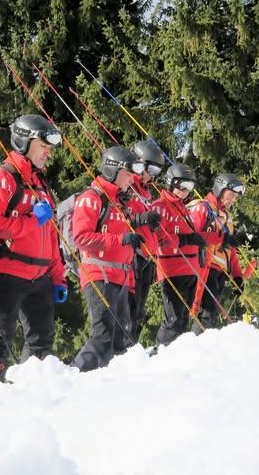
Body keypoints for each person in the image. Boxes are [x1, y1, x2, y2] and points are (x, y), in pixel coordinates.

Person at [0, 114, 67, 388]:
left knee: (42, 341)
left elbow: (51, 234)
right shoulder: (2, 178)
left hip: (39, 276)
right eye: (43, 145)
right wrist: (29, 221)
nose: (48, 152)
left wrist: (58, 277)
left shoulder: (40, 184)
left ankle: (29, 394)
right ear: (24, 142)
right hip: (6, 272)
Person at [72, 146, 158, 371]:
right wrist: (120, 240)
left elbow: (128, 228)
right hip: (99, 273)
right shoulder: (92, 198)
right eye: (128, 173)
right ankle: (74, 376)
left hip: (121, 275)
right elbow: (81, 238)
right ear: (113, 170)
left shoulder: (121, 202)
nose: (132, 179)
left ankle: (115, 386)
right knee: (102, 336)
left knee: (122, 339)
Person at [189, 173, 256, 332]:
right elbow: (194, 236)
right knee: (208, 311)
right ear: (220, 189)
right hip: (205, 267)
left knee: (212, 313)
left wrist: (237, 276)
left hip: (220, 272)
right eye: (231, 195)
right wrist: (220, 238)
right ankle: (196, 343)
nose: (233, 200)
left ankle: (200, 343)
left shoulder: (227, 216)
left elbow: (230, 251)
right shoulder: (203, 208)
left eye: (235, 197)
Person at [152, 163, 207, 345]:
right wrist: (185, 240)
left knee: (183, 320)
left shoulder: (183, 208)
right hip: (171, 270)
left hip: (190, 269)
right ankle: (161, 350)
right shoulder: (160, 206)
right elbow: (159, 238)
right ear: (170, 182)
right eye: (180, 186)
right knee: (174, 320)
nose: (184, 191)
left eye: (189, 187)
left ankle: (177, 357)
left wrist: (196, 241)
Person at [123, 140, 165, 342]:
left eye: (156, 172)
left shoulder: (145, 191)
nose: (152, 176)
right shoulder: (127, 185)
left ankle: (132, 347)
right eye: (151, 169)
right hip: (133, 255)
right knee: (130, 306)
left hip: (147, 256)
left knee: (139, 309)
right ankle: (122, 348)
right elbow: (119, 218)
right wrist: (142, 219)